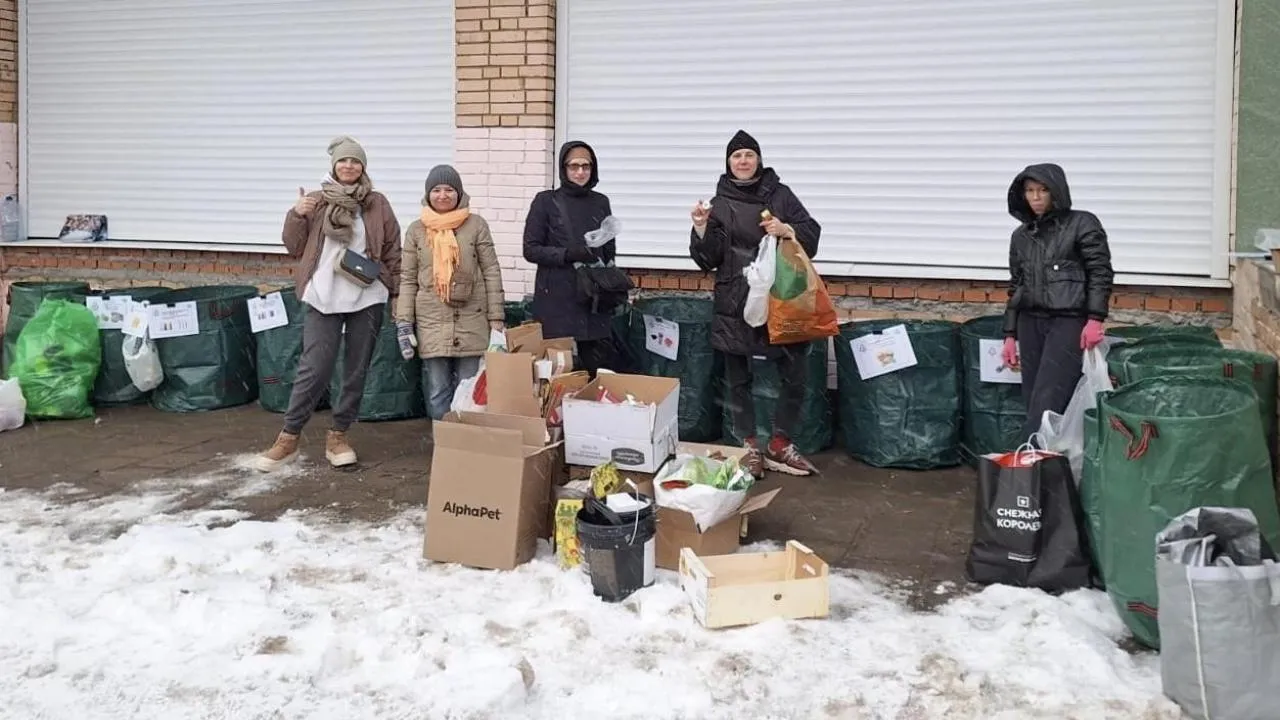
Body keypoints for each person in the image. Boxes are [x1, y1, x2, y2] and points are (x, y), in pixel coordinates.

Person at [254, 136, 402, 472]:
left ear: (363, 167)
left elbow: (393, 246)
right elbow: (294, 246)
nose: (349, 166)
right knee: (315, 366)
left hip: (367, 294)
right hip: (323, 292)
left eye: (355, 161)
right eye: (343, 161)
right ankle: (288, 438)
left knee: (356, 368)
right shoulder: (316, 201)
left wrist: (393, 288)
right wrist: (296, 215)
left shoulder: (376, 202)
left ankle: (339, 435)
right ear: (334, 165)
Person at [689, 130, 821, 479]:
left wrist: (787, 228)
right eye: (737, 156)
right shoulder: (718, 203)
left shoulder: (780, 194)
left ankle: (780, 444)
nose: (743, 161)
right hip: (736, 300)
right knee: (737, 379)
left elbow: (813, 234)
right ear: (728, 162)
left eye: (749, 155)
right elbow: (708, 259)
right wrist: (701, 228)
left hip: (782, 298)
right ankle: (748, 446)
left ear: (758, 160)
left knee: (794, 376)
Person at [1001, 163, 1114, 443]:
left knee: (1050, 397)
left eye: (1043, 190)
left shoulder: (1082, 223)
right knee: (1033, 396)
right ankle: (1042, 464)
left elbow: (1100, 271)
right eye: (1029, 191)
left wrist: (1095, 318)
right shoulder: (1021, 236)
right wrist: (1009, 334)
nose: (1036, 197)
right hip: (1030, 322)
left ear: (1057, 192)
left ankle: (1030, 463)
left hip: (1068, 321)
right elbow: (1017, 285)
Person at [394, 165, 504, 420]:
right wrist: (404, 323)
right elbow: (408, 279)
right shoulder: (416, 230)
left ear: (459, 193)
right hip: (431, 320)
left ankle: (465, 444)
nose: (443, 195)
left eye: (449, 190)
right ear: (428, 194)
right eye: (436, 190)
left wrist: (496, 318)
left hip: (472, 317)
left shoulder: (476, 225)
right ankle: (444, 445)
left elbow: (491, 271)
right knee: (437, 390)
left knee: (470, 388)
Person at [522, 140, 621, 375]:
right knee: (558, 372)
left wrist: (609, 275)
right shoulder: (546, 201)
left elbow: (609, 249)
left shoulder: (601, 202)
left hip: (592, 298)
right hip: (557, 297)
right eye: (574, 166)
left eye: (586, 166)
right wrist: (567, 254)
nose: (580, 172)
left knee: (596, 371)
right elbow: (531, 249)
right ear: (563, 169)